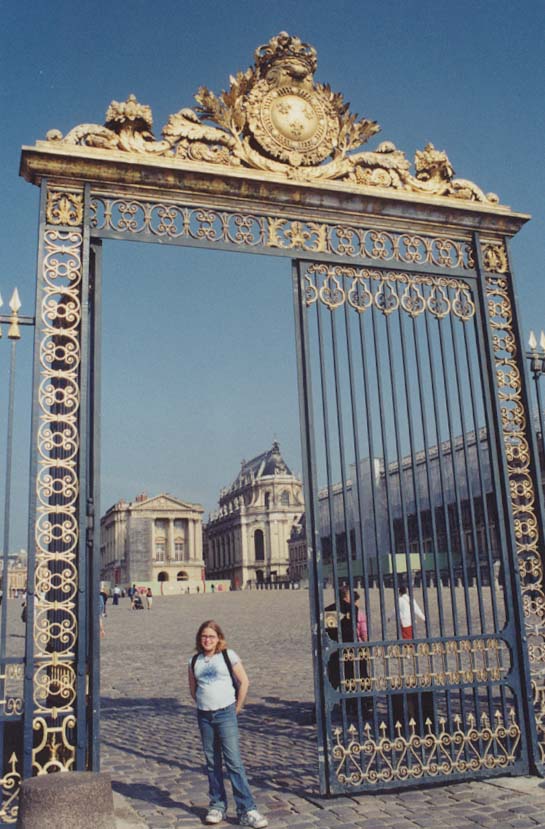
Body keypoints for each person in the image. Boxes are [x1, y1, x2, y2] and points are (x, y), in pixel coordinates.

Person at [188, 620, 268, 828]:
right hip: (205, 715)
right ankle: (217, 804)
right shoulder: (194, 660)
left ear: (219, 639)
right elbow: (193, 689)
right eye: (204, 636)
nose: (207, 640)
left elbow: (244, 682)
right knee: (212, 761)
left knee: (233, 762)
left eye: (211, 636)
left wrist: (237, 707)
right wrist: (205, 703)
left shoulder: (227, 655)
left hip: (226, 714)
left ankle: (247, 808)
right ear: (199, 638)